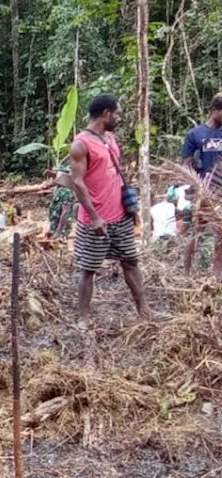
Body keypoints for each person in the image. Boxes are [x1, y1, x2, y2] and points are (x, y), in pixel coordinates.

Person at [70, 94, 153, 328]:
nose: (119, 118)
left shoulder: (110, 138)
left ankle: (144, 309)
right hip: (94, 220)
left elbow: (115, 174)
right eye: (117, 113)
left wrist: (130, 207)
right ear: (106, 113)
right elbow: (78, 182)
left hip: (120, 216)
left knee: (131, 262)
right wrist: (95, 217)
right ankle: (83, 317)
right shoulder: (81, 144)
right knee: (89, 269)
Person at [181, 95, 222, 278]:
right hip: (204, 190)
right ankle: (187, 273)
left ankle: (216, 274)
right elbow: (186, 164)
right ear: (215, 110)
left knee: (220, 234)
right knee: (198, 231)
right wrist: (195, 187)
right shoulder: (195, 134)